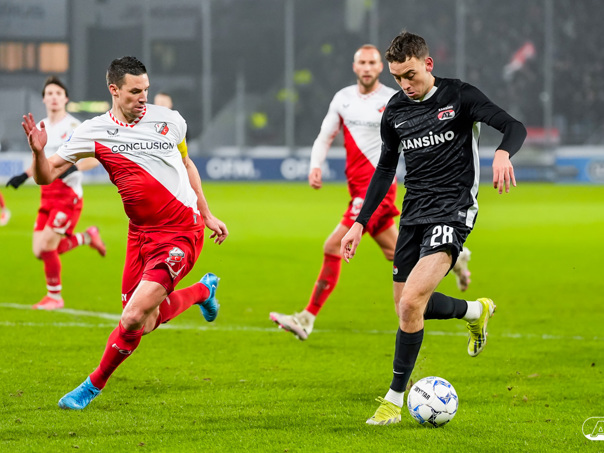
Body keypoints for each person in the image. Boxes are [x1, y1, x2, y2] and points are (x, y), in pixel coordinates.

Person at [339, 32, 526, 425]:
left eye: (410, 75)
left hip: (453, 211)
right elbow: (385, 170)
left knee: (411, 303)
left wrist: (503, 152)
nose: (405, 85)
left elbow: (513, 126)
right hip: (413, 214)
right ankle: (475, 311)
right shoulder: (395, 111)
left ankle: (392, 402)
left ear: (428, 64)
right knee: (406, 308)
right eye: (397, 78)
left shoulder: (460, 96)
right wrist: (359, 223)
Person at [22, 56, 228, 410]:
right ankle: (201, 291)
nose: (143, 97)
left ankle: (91, 386)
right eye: (135, 91)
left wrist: (206, 213)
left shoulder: (171, 121)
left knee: (131, 317)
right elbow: (46, 175)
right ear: (114, 90)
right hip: (140, 236)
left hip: (181, 232)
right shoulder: (94, 131)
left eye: (145, 89)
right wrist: (39, 152)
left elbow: (186, 163)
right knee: (144, 323)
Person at [269, 45, 472, 341]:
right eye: (361, 62)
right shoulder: (343, 99)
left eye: (372, 63)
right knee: (397, 252)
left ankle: (307, 318)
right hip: (356, 189)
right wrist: (315, 166)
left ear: (380, 68)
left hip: (376, 191)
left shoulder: (394, 99)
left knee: (332, 246)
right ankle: (456, 256)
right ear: (355, 67)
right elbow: (325, 136)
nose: (366, 67)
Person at [6, 76, 106, 310]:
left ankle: (55, 297)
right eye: (49, 93)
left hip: (67, 195)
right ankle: (87, 237)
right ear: (43, 99)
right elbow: (41, 161)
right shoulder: (41, 126)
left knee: (47, 246)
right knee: (39, 250)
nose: (53, 97)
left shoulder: (75, 128)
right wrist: (24, 175)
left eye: (58, 93)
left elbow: (95, 157)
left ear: (66, 99)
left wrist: (73, 168)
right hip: (46, 195)